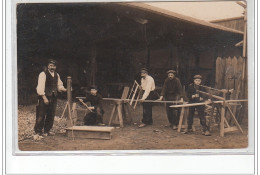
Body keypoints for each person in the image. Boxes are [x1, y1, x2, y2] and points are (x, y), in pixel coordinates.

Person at [34, 59, 67, 138]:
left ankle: (47, 131)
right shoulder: (43, 74)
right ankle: (38, 132)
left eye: (54, 66)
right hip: (44, 97)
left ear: (56, 67)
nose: (52, 67)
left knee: (51, 115)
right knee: (41, 115)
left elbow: (59, 86)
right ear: (48, 66)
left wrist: (66, 89)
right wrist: (44, 97)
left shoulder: (57, 75)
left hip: (53, 97)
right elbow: (40, 87)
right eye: (50, 65)